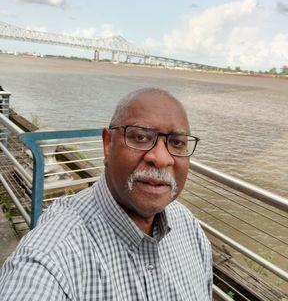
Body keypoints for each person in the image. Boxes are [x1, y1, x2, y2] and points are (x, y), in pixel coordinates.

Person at [0, 87, 213, 300]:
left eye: (176, 142)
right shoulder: (52, 257)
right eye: (140, 137)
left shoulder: (188, 227)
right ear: (107, 144)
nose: (161, 158)